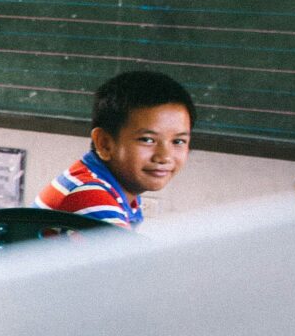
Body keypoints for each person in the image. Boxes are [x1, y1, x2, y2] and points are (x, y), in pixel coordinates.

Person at [40, 70, 194, 228]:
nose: (164, 157)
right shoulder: (90, 196)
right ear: (104, 143)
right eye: (147, 140)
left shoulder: (120, 188)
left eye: (178, 141)